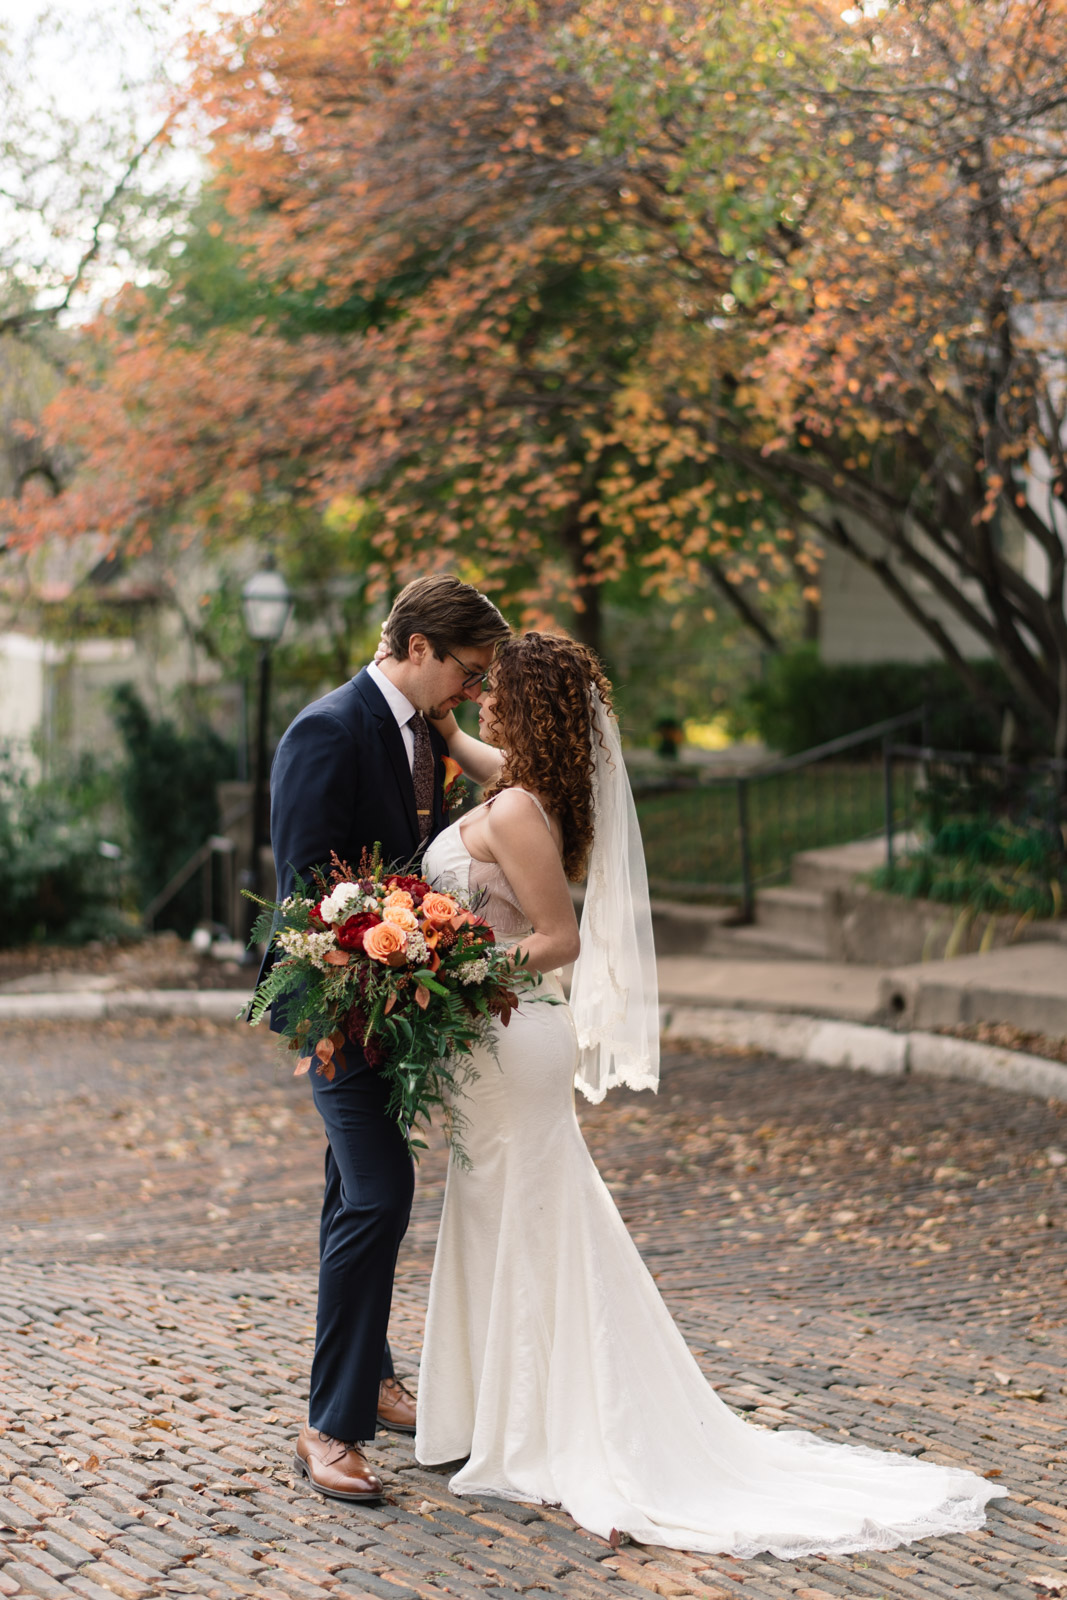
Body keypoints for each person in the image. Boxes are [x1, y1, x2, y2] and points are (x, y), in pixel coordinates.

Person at [416, 629, 1005, 1558]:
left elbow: (558, 939)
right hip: (490, 1044)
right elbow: (481, 759)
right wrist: (438, 727)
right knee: (503, 1215)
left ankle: (540, 1424)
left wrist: (448, 965)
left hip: (511, 1033)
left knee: (530, 1217)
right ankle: (494, 1412)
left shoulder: (524, 809)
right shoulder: (522, 788)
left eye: (499, 693)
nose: (484, 700)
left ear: (530, 710)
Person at [264, 573, 510, 1503]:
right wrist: (389, 946)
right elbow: (306, 887)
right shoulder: (327, 729)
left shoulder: (422, 733)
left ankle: (368, 1375)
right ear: (416, 647)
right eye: (468, 671)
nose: (473, 690)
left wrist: (428, 950)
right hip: (337, 1007)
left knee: (349, 1195)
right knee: (377, 1192)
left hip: (399, 1001)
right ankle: (329, 1426)